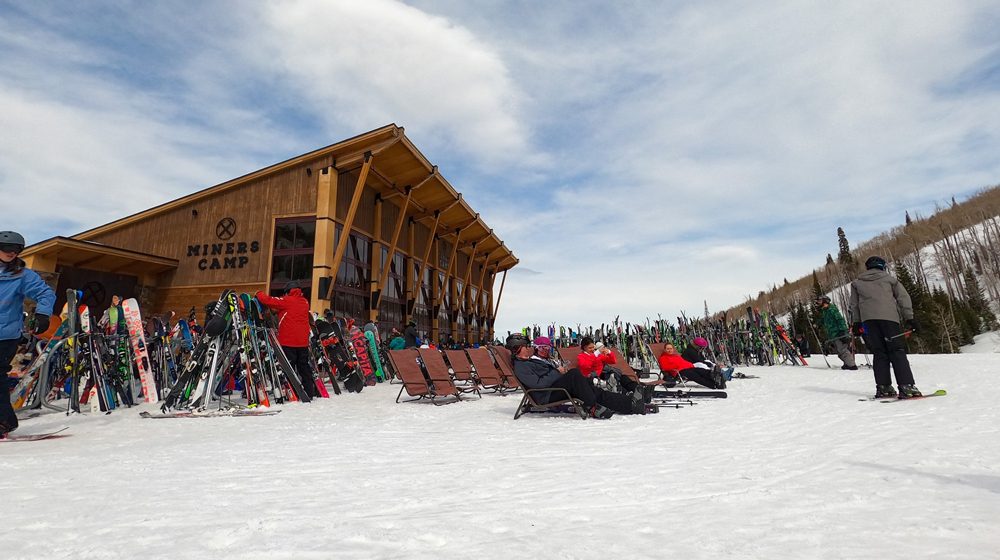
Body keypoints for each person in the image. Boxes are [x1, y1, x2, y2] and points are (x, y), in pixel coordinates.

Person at [507, 334, 646, 418]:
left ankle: (630, 404)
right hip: (546, 394)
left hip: (554, 387)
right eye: (526, 346)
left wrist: (558, 372)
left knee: (594, 391)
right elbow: (539, 384)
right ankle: (591, 406)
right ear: (518, 348)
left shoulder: (528, 362)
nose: (529, 348)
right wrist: (556, 372)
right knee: (575, 375)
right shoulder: (521, 366)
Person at [0, 231, 56, 437]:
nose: (12, 253)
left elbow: (45, 293)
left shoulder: (22, 274)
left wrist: (43, 314)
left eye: (17, 249)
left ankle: (3, 421)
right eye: (7, 248)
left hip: (5, 334)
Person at [850, 256, 921, 398]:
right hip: (889, 319)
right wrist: (910, 318)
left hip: (868, 321)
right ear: (882, 266)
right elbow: (903, 298)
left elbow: (854, 305)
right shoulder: (890, 279)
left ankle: (884, 387)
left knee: (879, 352)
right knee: (896, 350)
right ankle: (906, 386)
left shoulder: (857, 283)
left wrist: (856, 323)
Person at [255, 281, 320, 398]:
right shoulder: (304, 302)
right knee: (303, 367)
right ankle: (308, 392)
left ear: (288, 291)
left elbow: (269, 300)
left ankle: (292, 393)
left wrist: (259, 293)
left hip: (289, 341)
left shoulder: (287, 300)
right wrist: (278, 311)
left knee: (289, 369)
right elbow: (291, 312)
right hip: (303, 342)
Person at [814, 296, 857, 370]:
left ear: (825, 301)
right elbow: (824, 319)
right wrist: (817, 324)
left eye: (820, 301)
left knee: (842, 349)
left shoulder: (832, 309)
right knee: (838, 350)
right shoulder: (825, 311)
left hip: (837, 333)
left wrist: (842, 331)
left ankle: (852, 365)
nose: (818, 303)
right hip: (832, 334)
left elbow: (840, 320)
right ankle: (847, 363)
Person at [658, 343, 726, 389]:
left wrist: (691, 365)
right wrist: (676, 365)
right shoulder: (663, 358)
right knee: (695, 375)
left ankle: (713, 375)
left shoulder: (676, 356)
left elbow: (684, 362)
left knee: (700, 370)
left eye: (671, 349)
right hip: (678, 371)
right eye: (668, 349)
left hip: (686, 368)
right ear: (665, 350)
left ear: (673, 349)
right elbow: (665, 367)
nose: (669, 350)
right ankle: (713, 384)